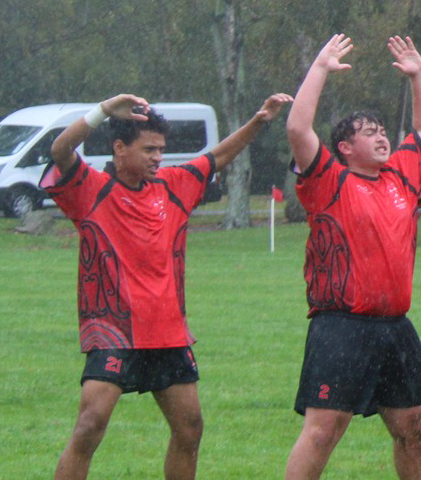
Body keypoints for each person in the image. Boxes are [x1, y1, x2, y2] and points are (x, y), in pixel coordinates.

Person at [45, 92, 289, 480]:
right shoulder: (92, 190)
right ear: (120, 148)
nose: (159, 157)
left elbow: (219, 156)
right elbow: (60, 149)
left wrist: (259, 121)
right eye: (149, 149)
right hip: (113, 332)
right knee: (90, 427)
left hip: (168, 333)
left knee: (190, 429)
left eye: (161, 149)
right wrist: (104, 110)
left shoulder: (175, 185)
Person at [281, 34, 421, 480]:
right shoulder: (327, 181)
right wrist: (319, 68)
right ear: (345, 149)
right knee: (323, 431)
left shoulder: (400, 176)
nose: (381, 137)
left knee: (413, 429)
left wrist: (419, 76)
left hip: (396, 327)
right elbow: (298, 129)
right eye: (368, 133)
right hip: (341, 326)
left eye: (383, 131)